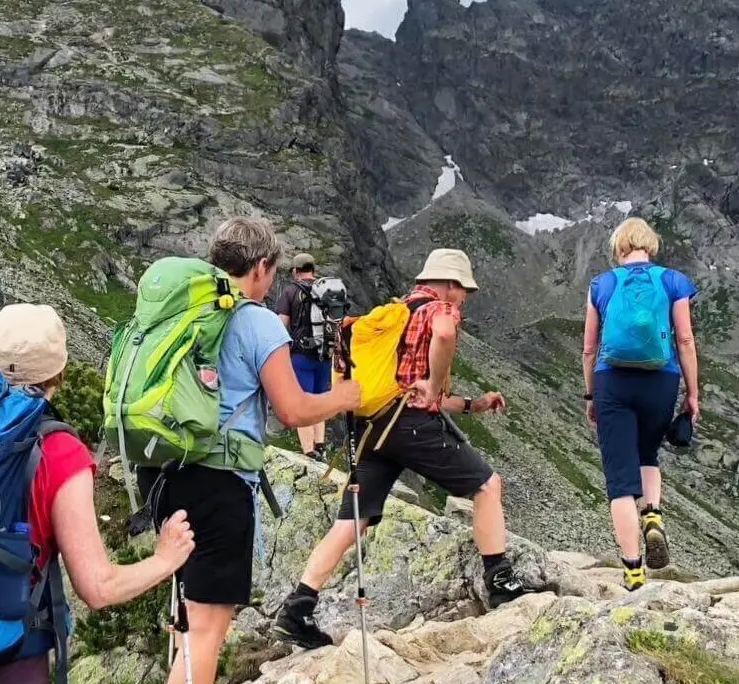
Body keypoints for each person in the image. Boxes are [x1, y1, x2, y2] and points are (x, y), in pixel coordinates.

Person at [0, 304, 197, 684]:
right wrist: (166, 558)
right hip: (6, 657)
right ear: (60, 372)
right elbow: (98, 589)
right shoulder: (58, 450)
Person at [134, 217, 362, 684]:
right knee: (206, 631)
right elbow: (293, 409)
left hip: (159, 469)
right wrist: (343, 397)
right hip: (217, 482)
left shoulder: (183, 311)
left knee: (185, 618)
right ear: (261, 266)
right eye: (272, 272)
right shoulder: (255, 320)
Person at [272, 248, 535, 650]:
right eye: (464, 289)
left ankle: (297, 607)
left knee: (351, 522)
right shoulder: (439, 309)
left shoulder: (391, 315)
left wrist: (470, 404)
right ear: (449, 284)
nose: (465, 297)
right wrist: (435, 382)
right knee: (487, 486)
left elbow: (404, 388)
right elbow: (438, 352)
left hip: (373, 429)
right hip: (408, 427)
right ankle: (500, 580)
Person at [581, 218, 699, 591]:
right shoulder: (673, 281)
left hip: (611, 380)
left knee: (619, 480)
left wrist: (590, 394)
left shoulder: (602, 284)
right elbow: (684, 339)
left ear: (619, 246)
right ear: (651, 245)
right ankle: (653, 514)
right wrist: (692, 393)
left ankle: (633, 570)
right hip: (660, 380)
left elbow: (588, 348)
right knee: (648, 452)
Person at [273, 253, 332, 460]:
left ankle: (309, 451)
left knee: (302, 401)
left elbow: (281, 326)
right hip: (325, 355)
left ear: (295, 272)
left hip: (301, 356)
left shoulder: (290, 292)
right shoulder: (328, 290)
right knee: (319, 400)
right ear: (313, 270)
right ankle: (321, 445)